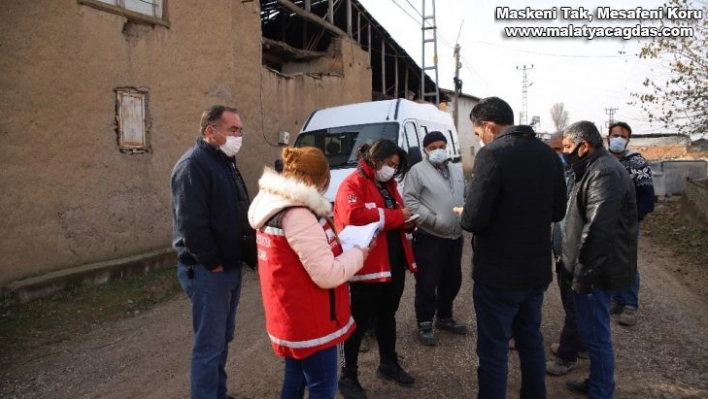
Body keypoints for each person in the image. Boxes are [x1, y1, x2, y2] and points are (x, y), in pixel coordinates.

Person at [460, 97, 566, 399]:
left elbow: (474, 220)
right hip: (535, 272)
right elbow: (558, 211)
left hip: (497, 276)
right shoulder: (548, 155)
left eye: (478, 133)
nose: (479, 139)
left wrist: (464, 212)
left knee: (493, 351)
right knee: (530, 340)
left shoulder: (492, 156)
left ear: (489, 127)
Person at [247, 147, 367, 399]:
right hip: (311, 319)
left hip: (289, 314)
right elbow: (327, 274)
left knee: (295, 377)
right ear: (313, 180)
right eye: (325, 180)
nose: (326, 187)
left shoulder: (274, 205)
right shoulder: (298, 214)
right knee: (323, 387)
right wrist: (358, 254)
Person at [171, 105, 252, 399]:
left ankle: (218, 392)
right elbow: (191, 225)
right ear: (210, 131)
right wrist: (214, 263)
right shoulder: (193, 165)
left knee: (222, 339)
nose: (238, 136)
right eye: (233, 130)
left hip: (229, 267)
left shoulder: (224, 162)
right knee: (208, 345)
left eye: (240, 130)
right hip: (209, 271)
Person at [334, 139, 418, 399]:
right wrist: (396, 218)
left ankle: (388, 363)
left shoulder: (389, 186)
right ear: (375, 158)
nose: (391, 169)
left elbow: (397, 216)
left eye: (395, 165)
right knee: (357, 323)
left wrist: (407, 223)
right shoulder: (352, 183)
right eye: (389, 163)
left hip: (393, 264)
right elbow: (354, 217)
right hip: (366, 267)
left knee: (387, 316)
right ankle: (348, 376)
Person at [560, 121, 638, 397]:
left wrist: (582, 276)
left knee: (596, 337)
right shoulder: (592, 168)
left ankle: (601, 390)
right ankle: (596, 380)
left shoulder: (604, 173)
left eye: (568, 147)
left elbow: (597, 231)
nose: (565, 152)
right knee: (592, 333)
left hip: (596, 272)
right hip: (592, 270)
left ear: (584, 146)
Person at [403, 131, 467, 347]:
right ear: (425, 151)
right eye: (433, 148)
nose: (438, 150)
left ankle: (445, 317)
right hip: (431, 237)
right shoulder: (417, 171)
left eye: (442, 146)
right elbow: (410, 200)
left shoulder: (455, 170)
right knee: (427, 283)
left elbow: (463, 195)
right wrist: (432, 220)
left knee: (453, 280)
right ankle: (424, 323)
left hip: (455, 236)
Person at [546, 132, 589, 376]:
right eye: (554, 149)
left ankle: (567, 355)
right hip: (563, 251)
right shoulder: (567, 175)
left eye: (562, 149)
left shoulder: (589, 176)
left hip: (577, 253)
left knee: (575, 305)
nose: (559, 154)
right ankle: (580, 344)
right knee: (569, 301)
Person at [607, 121, 655, 326]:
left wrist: (634, 218)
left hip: (627, 222)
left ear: (628, 140)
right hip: (604, 221)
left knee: (627, 262)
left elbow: (647, 195)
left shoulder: (636, 162)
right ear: (607, 137)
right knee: (608, 261)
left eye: (623, 136)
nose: (618, 139)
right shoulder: (601, 159)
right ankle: (616, 299)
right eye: (615, 135)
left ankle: (630, 305)